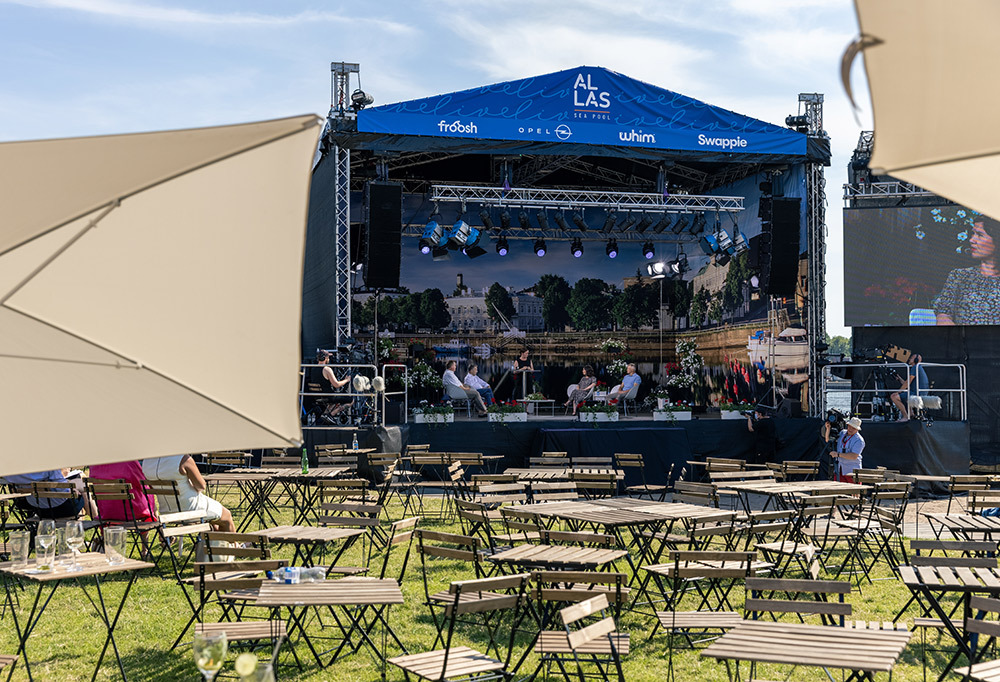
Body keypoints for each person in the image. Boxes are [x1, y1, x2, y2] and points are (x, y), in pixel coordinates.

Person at [141, 454, 235, 532]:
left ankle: (215, 545)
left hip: (165, 511)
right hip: (191, 509)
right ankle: (233, 547)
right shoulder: (183, 459)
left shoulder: (147, 462)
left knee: (213, 521)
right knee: (226, 515)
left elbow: (152, 487)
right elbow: (201, 486)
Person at [934, 218, 1000, 325]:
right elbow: (943, 315)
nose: (972, 240)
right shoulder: (959, 276)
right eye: (973, 234)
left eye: (980, 235)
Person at [5, 469, 95, 519]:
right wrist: (71, 489)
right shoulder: (48, 465)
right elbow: (63, 489)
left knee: (77, 486)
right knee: (82, 487)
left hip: (38, 508)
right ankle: (97, 522)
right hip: (63, 507)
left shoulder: (10, 470)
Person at [89, 460, 157, 522]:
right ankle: (156, 527)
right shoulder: (129, 462)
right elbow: (142, 483)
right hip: (133, 511)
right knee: (149, 494)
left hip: (107, 512)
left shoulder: (94, 465)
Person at [823, 417, 865, 483]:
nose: (850, 429)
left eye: (853, 428)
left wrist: (838, 454)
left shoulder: (859, 440)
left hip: (852, 471)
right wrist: (828, 429)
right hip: (839, 469)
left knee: (854, 489)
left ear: (857, 429)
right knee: (837, 488)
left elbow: (854, 456)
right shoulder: (842, 433)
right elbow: (827, 440)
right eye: (849, 426)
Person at [890, 353, 930, 422]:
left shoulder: (915, 367)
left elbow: (908, 381)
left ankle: (905, 417)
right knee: (905, 396)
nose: (909, 359)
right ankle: (911, 414)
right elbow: (907, 383)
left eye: (911, 358)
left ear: (916, 360)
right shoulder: (918, 367)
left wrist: (899, 391)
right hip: (919, 393)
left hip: (917, 394)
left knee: (894, 396)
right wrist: (899, 378)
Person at [317, 350, 352, 422]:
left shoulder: (312, 367)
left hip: (316, 396)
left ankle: (324, 418)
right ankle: (331, 414)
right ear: (326, 358)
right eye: (328, 357)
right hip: (328, 396)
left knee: (333, 402)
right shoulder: (327, 369)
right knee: (351, 400)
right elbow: (336, 385)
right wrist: (346, 380)